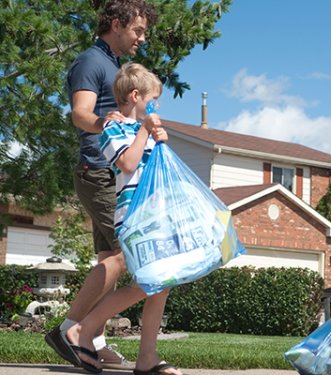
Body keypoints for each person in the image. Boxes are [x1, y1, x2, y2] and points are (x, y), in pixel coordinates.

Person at [44, 0, 157, 370]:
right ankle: (70, 329)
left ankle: (93, 339)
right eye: (138, 29)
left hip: (109, 172)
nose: (143, 37)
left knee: (110, 259)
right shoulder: (92, 62)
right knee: (126, 255)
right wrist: (105, 126)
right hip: (99, 169)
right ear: (116, 23)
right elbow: (80, 113)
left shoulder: (113, 64)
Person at [65, 62, 180, 375]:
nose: (155, 107)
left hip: (156, 215)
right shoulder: (113, 128)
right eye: (152, 101)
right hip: (134, 216)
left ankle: (147, 358)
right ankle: (82, 329)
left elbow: (155, 169)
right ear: (134, 96)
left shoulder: (145, 132)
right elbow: (128, 163)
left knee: (161, 286)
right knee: (149, 283)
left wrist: (160, 141)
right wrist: (144, 131)